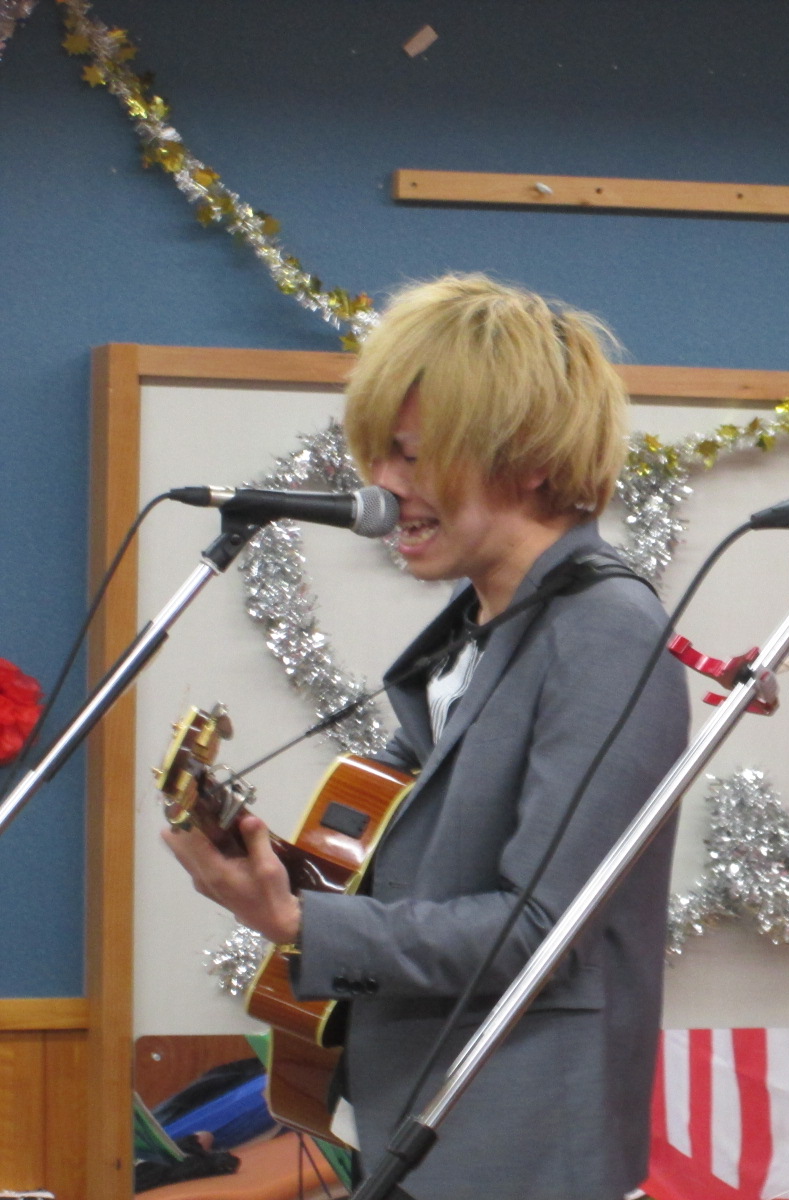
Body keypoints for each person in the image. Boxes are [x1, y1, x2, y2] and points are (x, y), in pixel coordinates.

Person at [164, 273, 689, 1200]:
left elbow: (540, 932)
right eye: (378, 455)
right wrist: (274, 875)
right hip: (428, 1128)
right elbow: (425, 871)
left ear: (529, 458)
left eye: (412, 456)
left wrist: (299, 921)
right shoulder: (484, 628)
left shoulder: (603, 630)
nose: (383, 486)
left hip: (518, 1152)